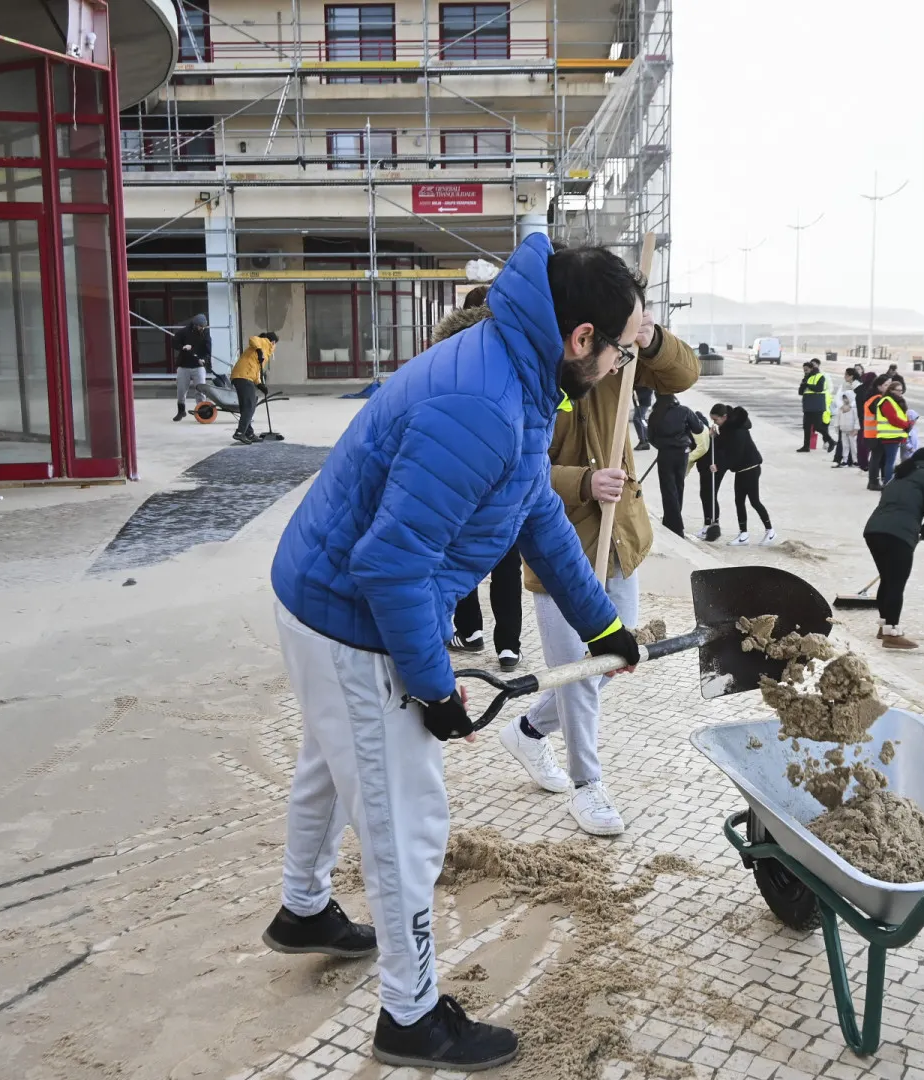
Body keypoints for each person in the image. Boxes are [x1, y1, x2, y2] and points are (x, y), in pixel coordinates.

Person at [264, 236, 646, 1071]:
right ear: (581, 338)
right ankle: (410, 1015)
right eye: (622, 349)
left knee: (332, 763)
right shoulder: (482, 401)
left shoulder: (521, 370)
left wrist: (601, 624)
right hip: (347, 615)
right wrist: (436, 693)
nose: (623, 365)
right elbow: (390, 565)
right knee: (406, 818)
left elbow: (532, 507)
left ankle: (302, 909)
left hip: (320, 593)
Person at [502, 278, 699, 839]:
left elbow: (684, 376)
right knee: (579, 675)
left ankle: (528, 730)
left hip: (621, 540)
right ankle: (588, 784)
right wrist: (583, 481)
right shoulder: (537, 371)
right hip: (558, 547)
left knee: (609, 661)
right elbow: (519, 466)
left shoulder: (621, 355)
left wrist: (651, 334)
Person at [432, 295, 522, 672]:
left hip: (460, 483)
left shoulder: (445, 363)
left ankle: (470, 631)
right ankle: (509, 646)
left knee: (460, 558)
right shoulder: (516, 364)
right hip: (504, 481)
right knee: (505, 565)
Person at [861, 447, 924, 650]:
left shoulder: (898, 476)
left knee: (887, 580)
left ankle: (883, 627)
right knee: (896, 583)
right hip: (899, 534)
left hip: (874, 531)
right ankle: (892, 634)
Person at [709, 403, 775, 544]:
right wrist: (715, 437)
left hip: (750, 468)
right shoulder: (728, 428)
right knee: (739, 501)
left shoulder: (737, 430)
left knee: (754, 501)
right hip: (741, 470)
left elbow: (734, 454)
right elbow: (725, 443)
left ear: (724, 417)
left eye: (716, 420)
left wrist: (719, 466)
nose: (715, 422)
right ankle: (743, 534)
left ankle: (770, 530)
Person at [647, 391, 704, 537]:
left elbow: (651, 437)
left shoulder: (655, 415)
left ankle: (672, 523)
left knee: (668, 489)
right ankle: (674, 523)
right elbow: (699, 428)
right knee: (678, 487)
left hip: (665, 454)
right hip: (682, 453)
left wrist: (663, 445)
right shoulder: (684, 411)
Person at [230, 331, 278, 444]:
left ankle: (249, 433)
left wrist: (259, 384)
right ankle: (240, 432)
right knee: (250, 405)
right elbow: (252, 338)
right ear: (273, 342)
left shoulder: (265, 352)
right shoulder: (263, 343)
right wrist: (259, 350)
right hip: (243, 376)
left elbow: (255, 370)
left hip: (242, 376)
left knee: (246, 406)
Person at [868, 375, 914, 489]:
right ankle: (888, 483)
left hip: (895, 435)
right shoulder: (887, 401)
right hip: (890, 435)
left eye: (901, 390)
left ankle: (887, 482)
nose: (900, 393)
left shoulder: (896, 401)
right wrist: (907, 425)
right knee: (890, 461)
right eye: (897, 390)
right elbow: (893, 419)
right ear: (891, 390)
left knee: (889, 461)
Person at [172, 313, 212, 421]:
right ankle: (181, 411)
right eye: (200, 326)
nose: (202, 328)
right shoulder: (184, 332)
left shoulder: (206, 333)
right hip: (184, 366)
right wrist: (183, 347)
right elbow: (174, 343)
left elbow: (208, 350)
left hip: (198, 367)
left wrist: (204, 359)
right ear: (195, 325)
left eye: (203, 326)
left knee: (201, 390)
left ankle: (202, 411)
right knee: (181, 390)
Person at [797, 360, 833, 452]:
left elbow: (819, 388)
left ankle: (830, 440)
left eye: (807, 370)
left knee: (818, 426)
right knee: (806, 426)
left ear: (811, 368)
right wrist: (803, 384)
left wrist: (807, 385)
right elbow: (800, 392)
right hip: (808, 405)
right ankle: (806, 446)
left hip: (817, 404)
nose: (805, 371)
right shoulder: (805, 378)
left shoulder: (820, 376)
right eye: (804, 370)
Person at [830, 371, 859, 468]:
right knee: (844, 446)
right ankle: (844, 460)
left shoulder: (854, 408)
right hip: (843, 428)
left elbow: (857, 419)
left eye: (846, 398)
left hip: (851, 429)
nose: (845, 400)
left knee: (853, 445)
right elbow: (837, 417)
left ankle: (855, 460)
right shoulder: (842, 408)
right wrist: (836, 426)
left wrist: (856, 428)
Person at [853, 367, 880, 471]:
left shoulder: (859, 390)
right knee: (869, 442)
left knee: (861, 441)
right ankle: (867, 463)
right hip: (871, 420)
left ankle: (862, 462)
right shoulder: (872, 391)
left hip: (861, 417)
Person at [631, 384, 655, 451]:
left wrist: (638, 396)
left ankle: (643, 441)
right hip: (638, 402)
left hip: (643, 402)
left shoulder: (646, 378)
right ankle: (645, 439)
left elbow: (650, 390)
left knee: (637, 419)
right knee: (641, 419)